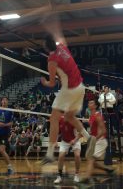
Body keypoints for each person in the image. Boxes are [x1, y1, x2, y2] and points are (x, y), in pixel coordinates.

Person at [40, 35, 94, 164]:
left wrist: (45, 82)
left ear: (46, 48)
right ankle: (88, 137)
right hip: (80, 87)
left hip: (69, 89)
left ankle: (50, 154)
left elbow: (52, 84)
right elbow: (62, 38)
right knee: (69, 117)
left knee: (53, 118)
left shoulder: (51, 60)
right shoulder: (62, 47)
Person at [80, 100, 114, 183]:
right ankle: (107, 169)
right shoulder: (91, 116)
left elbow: (104, 130)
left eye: (91, 103)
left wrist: (94, 139)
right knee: (92, 161)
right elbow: (93, 130)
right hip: (96, 140)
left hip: (101, 140)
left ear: (95, 106)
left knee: (91, 159)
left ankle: (86, 178)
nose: (88, 104)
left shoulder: (97, 115)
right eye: (88, 102)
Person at [53, 116, 81, 184]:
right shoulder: (60, 120)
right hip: (65, 141)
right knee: (61, 156)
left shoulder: (75, 120)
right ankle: (59, 176)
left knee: (77, 155)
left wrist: (74, 140)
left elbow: (80, 133)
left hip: (75, 140)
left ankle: (77, 174)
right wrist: (55, 140)